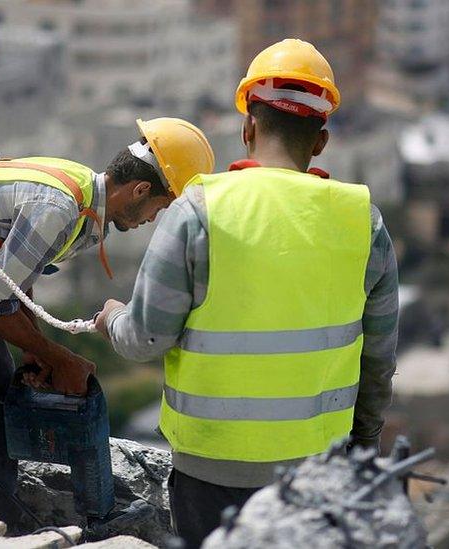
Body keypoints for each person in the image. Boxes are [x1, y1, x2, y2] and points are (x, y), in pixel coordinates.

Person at [95, 40, 399, 547]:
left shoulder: (200, 210)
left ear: (248, 127)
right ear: (321, 141)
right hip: (318, 473)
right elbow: (379, 360)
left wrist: (112, 319)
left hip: (211, 473)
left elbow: (144, 339)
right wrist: (360, 452)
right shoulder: (363, 223)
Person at [0, 118, 214, 524]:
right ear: (140, 190)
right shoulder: (61, 208)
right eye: (160, 206)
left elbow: (15, 281)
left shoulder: (84, 198)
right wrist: (58, 356)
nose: (153, 219)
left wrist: (37, 348)